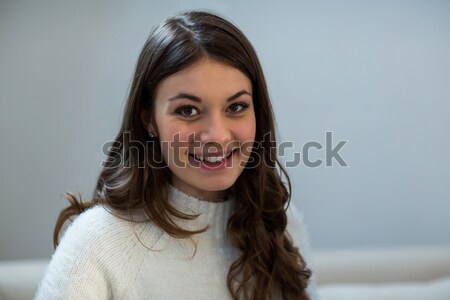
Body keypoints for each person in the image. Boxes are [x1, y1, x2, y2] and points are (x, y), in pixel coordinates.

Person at [35, 10, 315, 300]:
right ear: (149, 120)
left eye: (236, 107)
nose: (217, 136)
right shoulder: (97, 243)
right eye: (187, 110)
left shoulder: (282, 224)